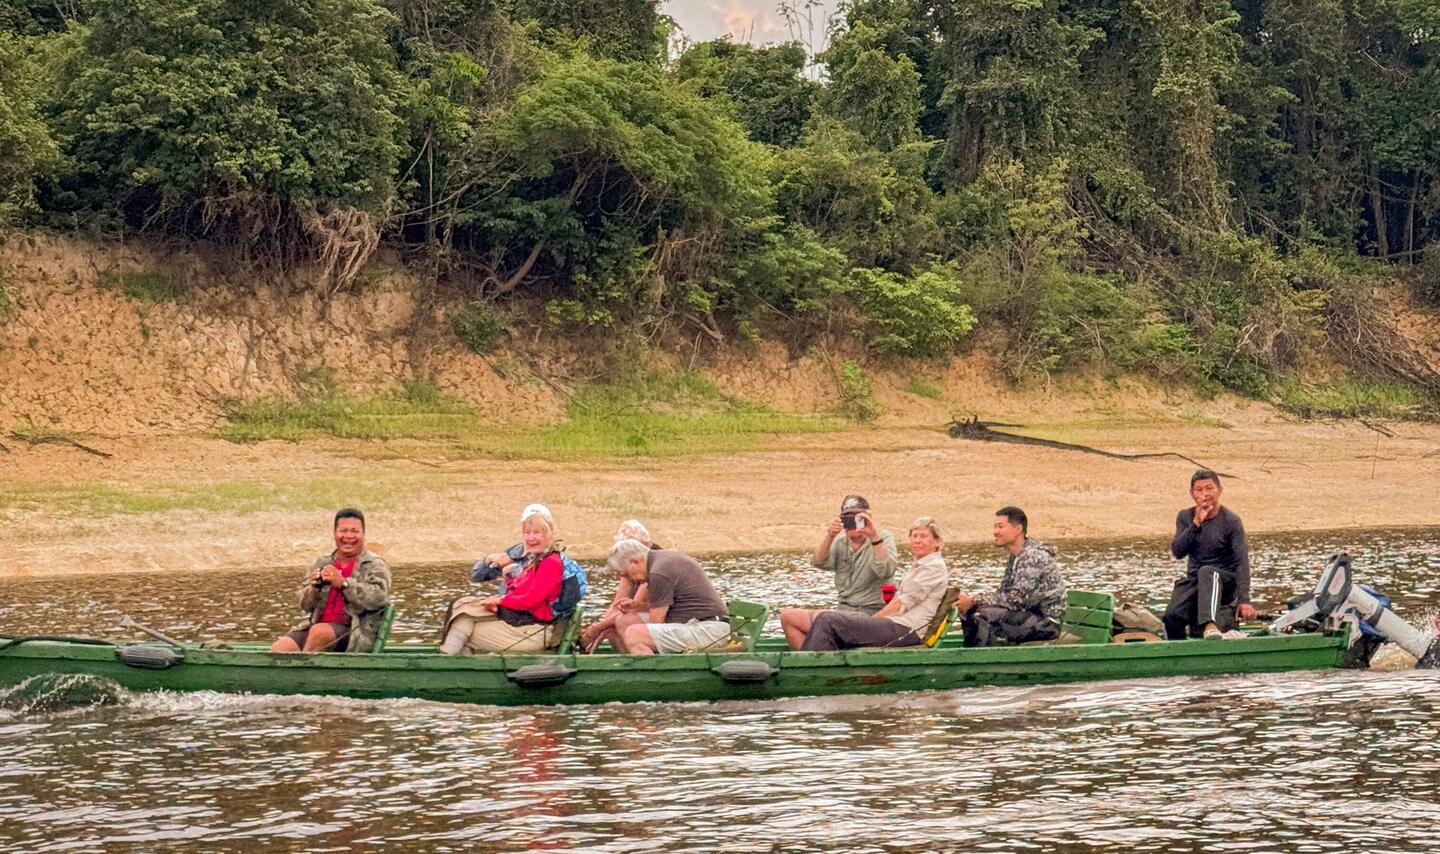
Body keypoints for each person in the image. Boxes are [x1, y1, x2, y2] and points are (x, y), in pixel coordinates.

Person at [798, 517, 950, 651]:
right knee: (828, 621)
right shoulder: (922, 565)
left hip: (908, 631)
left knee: (828, 620)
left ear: (937, 542)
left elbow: (902, 603)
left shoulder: (933, 566)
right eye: (914, 536)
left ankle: (805, 668)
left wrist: (871, 622)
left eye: (923, 536)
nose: (917, 541)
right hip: (899, 626)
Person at [439, 504, 570, 654]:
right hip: (515, 618)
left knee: (465, 626)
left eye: (537, 532)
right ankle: (451, 665)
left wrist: (501, 599)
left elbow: (530, 599)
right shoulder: (529, 557)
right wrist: (490, 561)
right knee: (462, 607)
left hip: (531, 627)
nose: (531, 537)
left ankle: (445, 665)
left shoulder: (550, 563)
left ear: (549, 533)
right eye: (527, 532)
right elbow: (478, 576)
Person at [779, 495, 898, 649]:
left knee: (824, 620)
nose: (855, 526)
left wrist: (874, 536)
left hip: (871, 614)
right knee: (788, 618)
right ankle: (811, 663)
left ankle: (816, 663)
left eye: (858, 519)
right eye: (848, 521)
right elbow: (819, 562)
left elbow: (886, 571)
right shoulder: (841, 541)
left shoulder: (882, 538)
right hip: (843, 611)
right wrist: (830, 535)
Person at [271, 508, 392, 653]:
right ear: (335, 534)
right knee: (281, 647)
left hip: (354, 632)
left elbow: (378, 598)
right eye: (343, 531)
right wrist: (314, 588)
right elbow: (304, 605)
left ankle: (302, 672)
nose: (348, 536)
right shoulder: (323, 562)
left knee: (320, 632)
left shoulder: (374, 564)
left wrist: (343, 583)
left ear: (363, 534)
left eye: (354, 531)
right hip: (315, 626)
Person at [1163, 469, 1258, 640]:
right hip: (1197, 582)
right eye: (1199, 490)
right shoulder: (1185, 516)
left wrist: (1244, 599)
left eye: (1209, 489)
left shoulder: (1231, 521)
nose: (1205, 494)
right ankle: (1179, 653)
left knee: (1208, 572)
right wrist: (1196, 523)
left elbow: (1242, 561)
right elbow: (1178, 551)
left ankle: (1210, 625)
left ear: (1219, 491)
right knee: (1172, 615)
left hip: (1224, 581)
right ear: (1192, 494)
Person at [955, 507, 1066, 647]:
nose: (995, 532)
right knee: (972, 612)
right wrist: (971, 603)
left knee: (982, 616)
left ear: (1017, 529)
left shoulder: (1033, 556)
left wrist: (975, 600)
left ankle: (980, 662)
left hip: (1046, 623)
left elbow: (1016, 599)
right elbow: (1004, 594)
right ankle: (972, 656)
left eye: (1000, 527)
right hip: (1027, 616)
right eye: (995, 527)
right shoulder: (1016, 556)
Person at [607, 539, 730, 656]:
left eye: (627, 574)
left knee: (634, 634)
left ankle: (654, 675)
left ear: (635, 561)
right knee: (625, 621)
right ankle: (632, 668)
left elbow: (656, 625)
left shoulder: (658, 573)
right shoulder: (660, 561)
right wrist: (639, 607)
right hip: (700, 625)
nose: (631, 580)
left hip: (710, 630)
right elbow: (673, 607)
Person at [580, 520, 660, 653]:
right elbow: (617, 605)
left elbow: (636, 604)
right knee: (613, 618)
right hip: (646, 615)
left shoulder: (651, 563)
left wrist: (596, 628)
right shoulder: (629, 565)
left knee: (622, 620)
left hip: (665, 618)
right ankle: (625, 659)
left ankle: (638, 659)